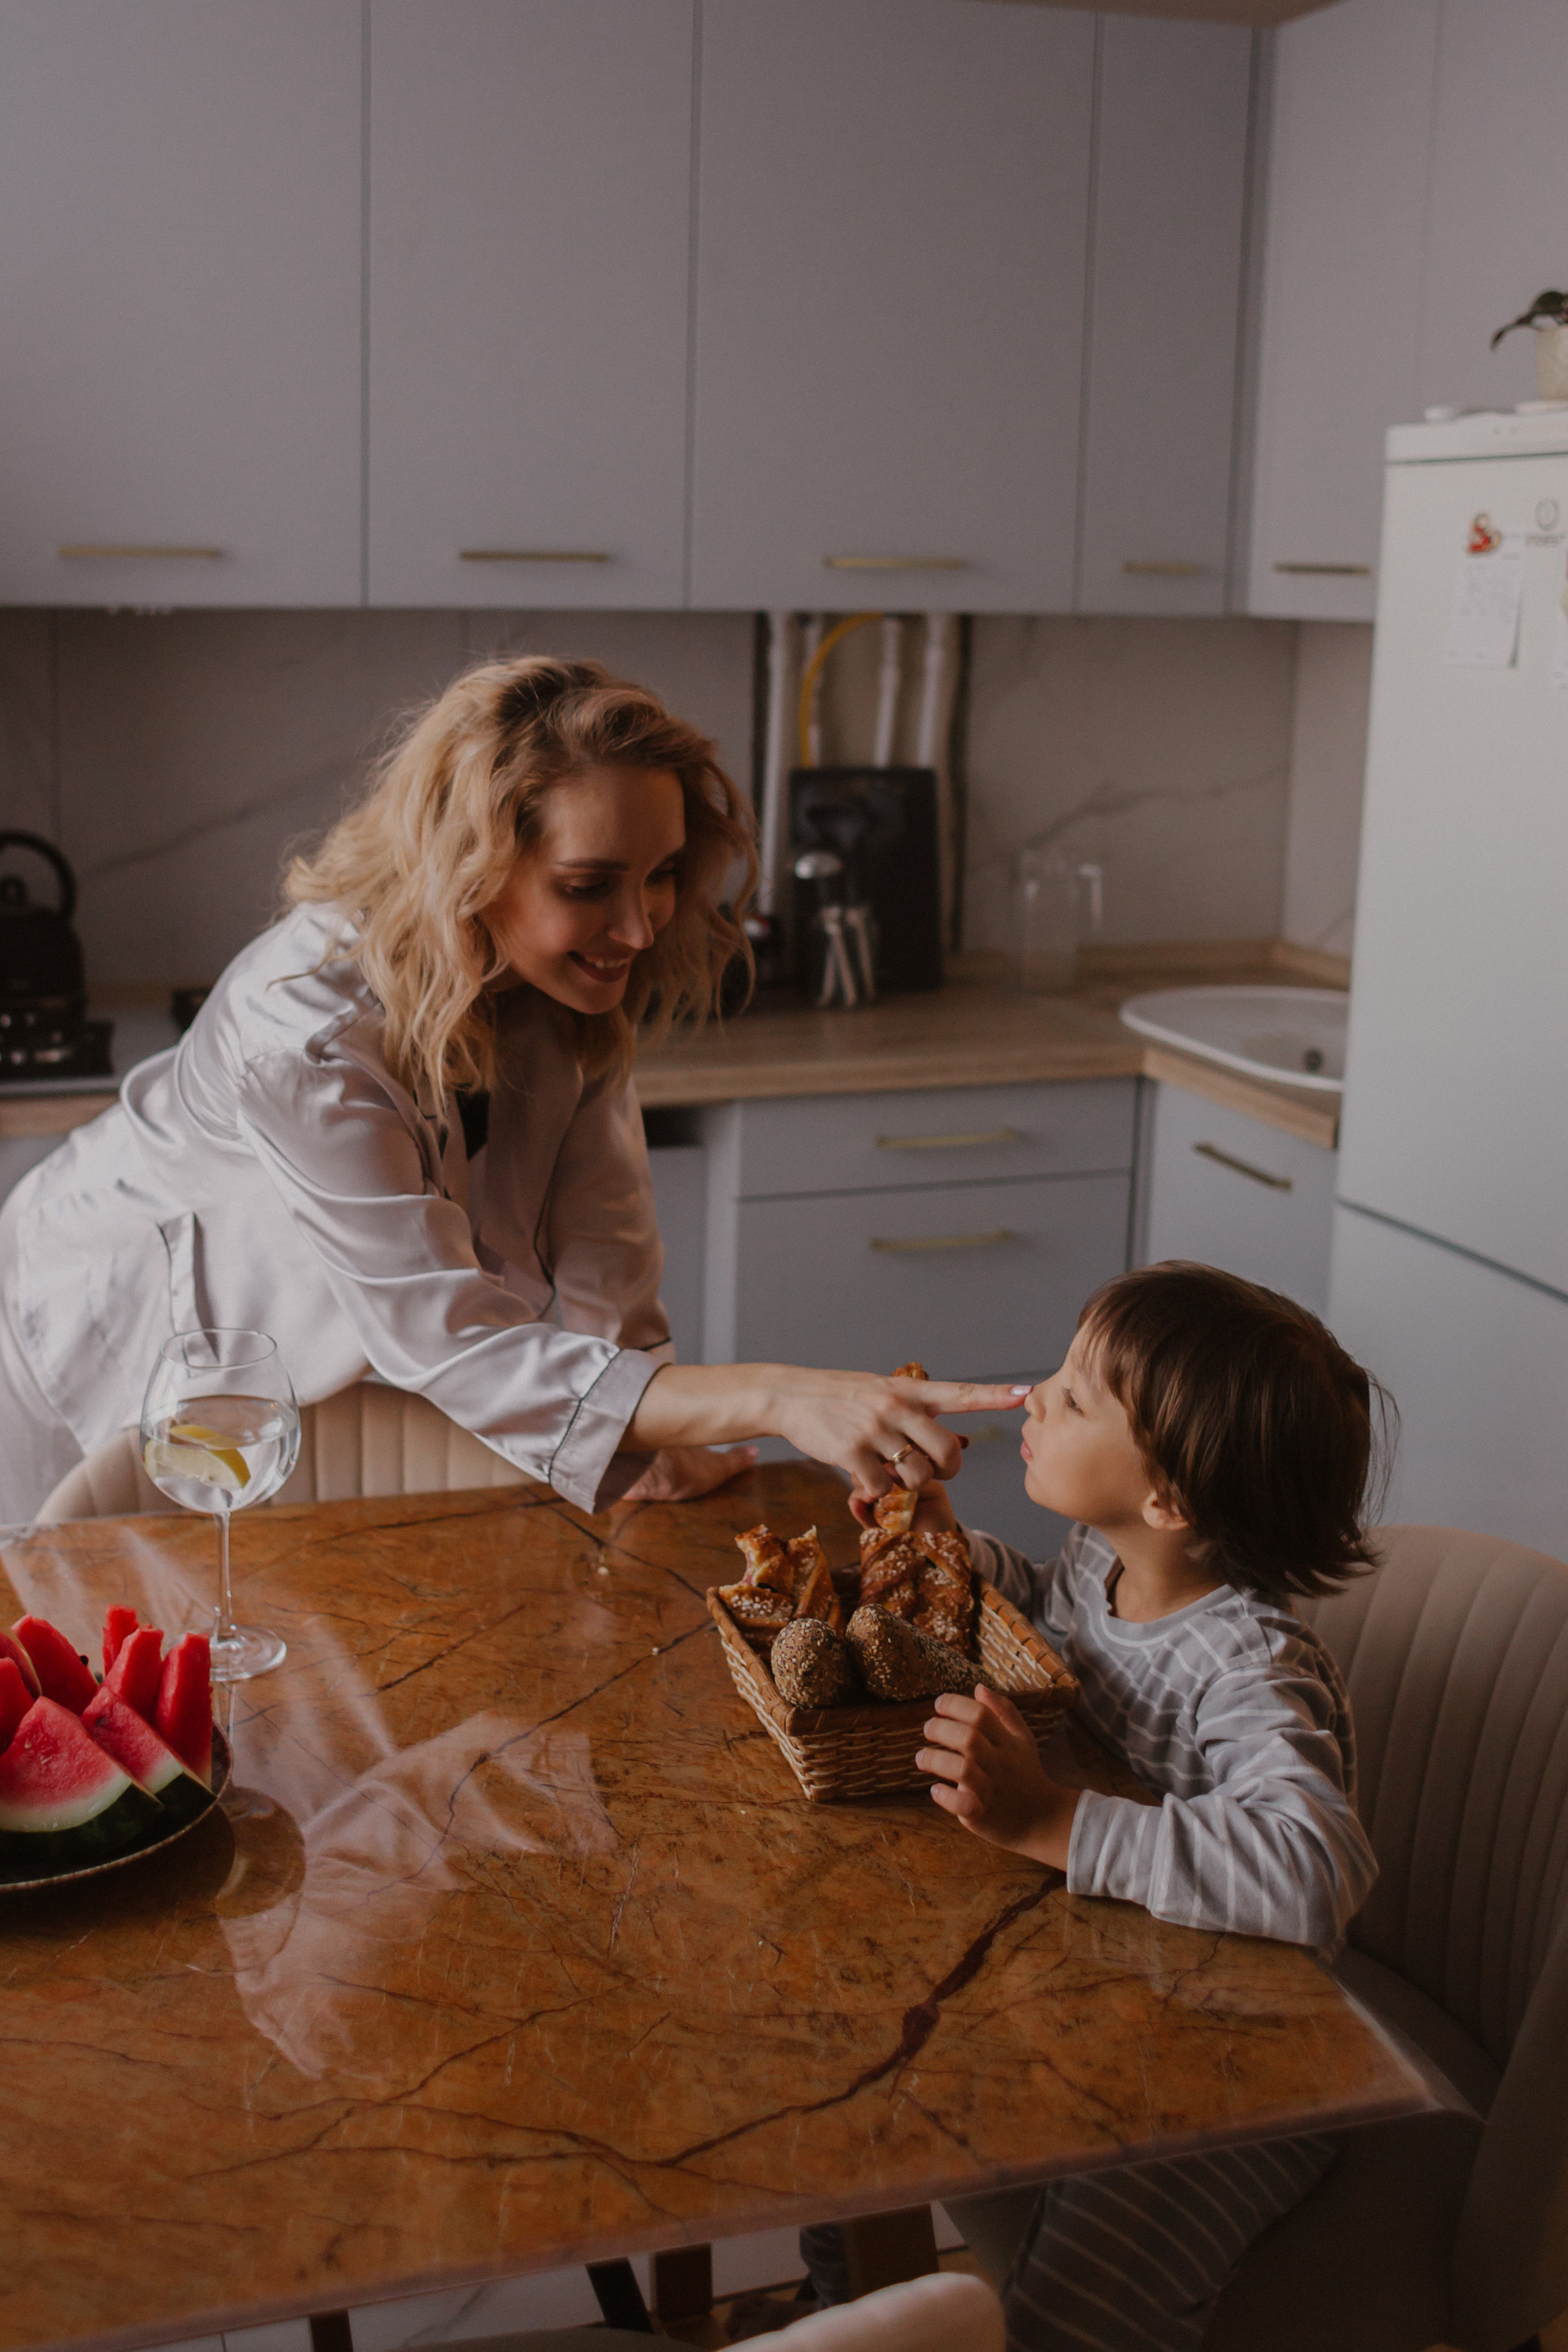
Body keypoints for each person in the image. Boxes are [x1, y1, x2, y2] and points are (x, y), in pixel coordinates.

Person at [0, 655, 1016, 1523]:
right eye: (588, 886)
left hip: (294, 1384)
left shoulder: (561, 985)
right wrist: (777, 1395)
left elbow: (606, 1268)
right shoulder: (303, 1034)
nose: (641, 925)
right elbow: (458, 1345)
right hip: (97, 1339)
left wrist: (657, 1435)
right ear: (468, 869)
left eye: (661, 873)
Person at [809, 1262, 1386, 2352]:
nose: (1034, 1397)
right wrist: (945, 1551)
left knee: (1077, 2308)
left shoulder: (1247, 1667)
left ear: (1168, 1498)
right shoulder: (1106, 1564)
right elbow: (1042, 1618)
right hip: (1109, 2001)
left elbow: (1314, 1868)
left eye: (1074, 1397)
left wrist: (1052, 1823)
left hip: (1244, 2081)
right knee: (856, 2115)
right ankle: (845, 2318)